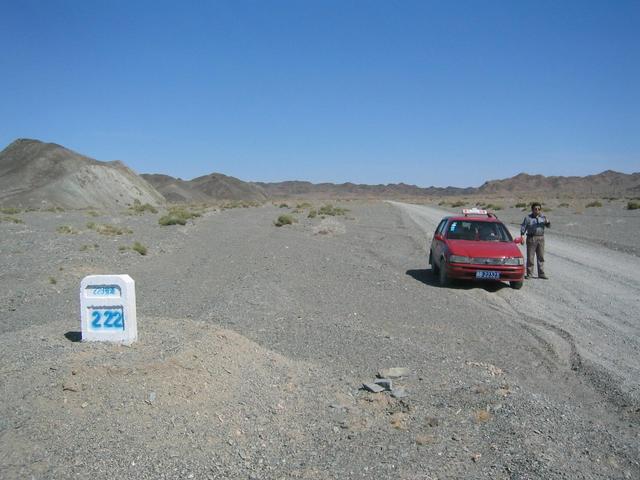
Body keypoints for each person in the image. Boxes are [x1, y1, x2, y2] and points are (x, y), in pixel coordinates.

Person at [520, 202, 551, 279]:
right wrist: (522, 237)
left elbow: (549, 226)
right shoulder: (528, 218)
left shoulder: (543, 217)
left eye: (539, 209)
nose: (537, 210)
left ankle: (541, 273)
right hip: (531, 238)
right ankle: (529, 274)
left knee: (541, 257)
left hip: (541, 238)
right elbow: (523, 228)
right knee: (530, 257)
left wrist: (548, 222)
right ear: (532, 209)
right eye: (535, 209)